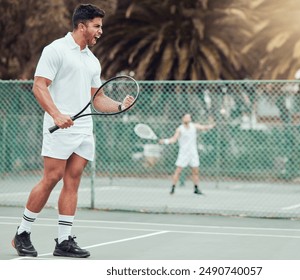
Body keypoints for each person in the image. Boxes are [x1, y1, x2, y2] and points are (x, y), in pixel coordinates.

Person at [11, 4, 134, 258]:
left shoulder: (92, 60)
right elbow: (39, 86)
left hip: (83, 131)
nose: (100, 31)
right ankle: (22, 233)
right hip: (58, 128)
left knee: (73, 179)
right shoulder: (55, 50)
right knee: (52, 178)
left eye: (100, 26)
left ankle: (64, 241)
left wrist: (120, 105)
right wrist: (56, 114)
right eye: (96, 26)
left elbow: (97, 99)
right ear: (82, 26)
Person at [159, 113, 215, 195]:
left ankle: (196, 188)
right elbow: (174, 139)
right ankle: (173, 188)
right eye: (186, 117)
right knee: (178, 171)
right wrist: (165, 141)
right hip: (183, 153)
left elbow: (204, 127)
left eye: (189, 117)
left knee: (195, 171)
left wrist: (211, 125)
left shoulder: (194, 126)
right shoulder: (180, 129)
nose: (187, 118)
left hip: (193, 153)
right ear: (183, 119)